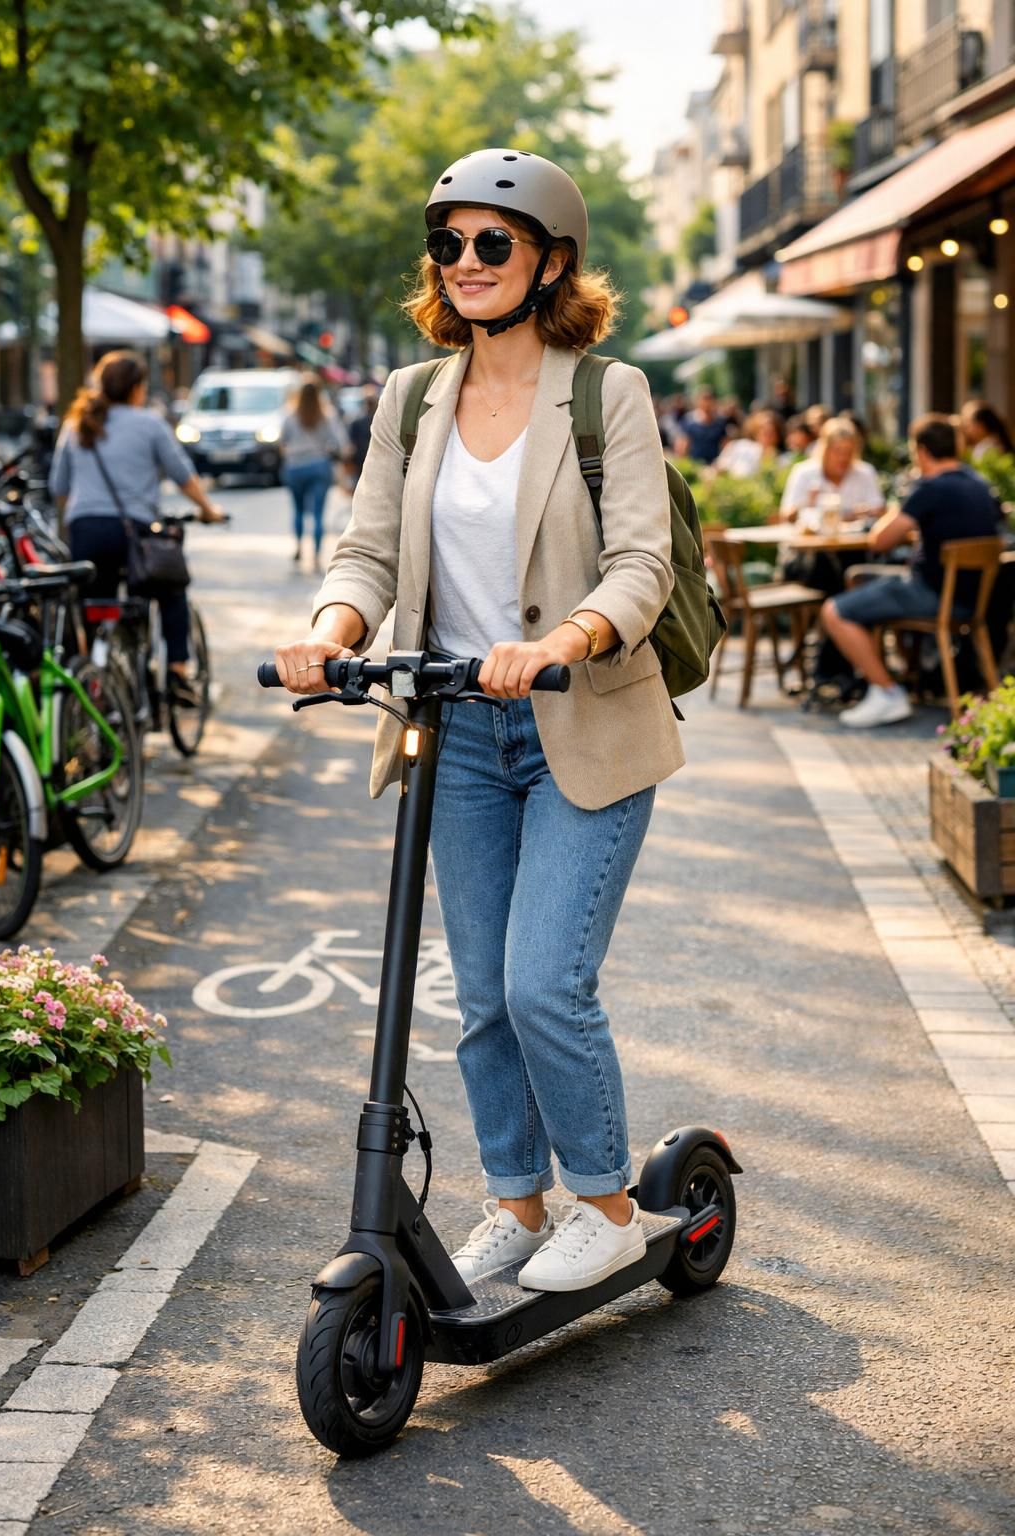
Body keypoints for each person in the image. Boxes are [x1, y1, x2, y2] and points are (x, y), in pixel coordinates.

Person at [275, 148, 682, 1293]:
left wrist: (561, 642)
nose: (464, 261)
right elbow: (363, 550)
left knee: (544, 979)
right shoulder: (410, 398)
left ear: (549, 259)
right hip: (450, 726)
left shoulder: (608, 394)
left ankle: (605, 1203)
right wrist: (332, 625)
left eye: (491, 242)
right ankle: (515, 1200)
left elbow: (641, 562)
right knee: (477, 995)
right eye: (447, 242)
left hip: (579, 726)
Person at [49, 350, 223, 704]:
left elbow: (59, 488)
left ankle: (95, 675)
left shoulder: (76, 424)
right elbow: (182, 475)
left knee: (94, 606)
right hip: (135, 534)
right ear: (137, 389)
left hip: (86, 533)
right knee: (171, 587)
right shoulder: (149, 423)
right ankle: (176, 672)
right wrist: (209, 510)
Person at [821, 414, 1003, 728]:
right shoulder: (978, 483)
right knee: (861, 579)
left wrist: (904, 499)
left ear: (920, 451)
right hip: (976, 600)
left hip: (935, 595)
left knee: (834, 611)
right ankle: (899, 673)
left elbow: (879, 540)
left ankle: (886, 692)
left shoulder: (929, 489)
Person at [279, 374, 344, 568]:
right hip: (318, 465)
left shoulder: (290, 415)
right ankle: (316, 555)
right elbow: (340, 443)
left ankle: (299, 547)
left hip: (295, 466)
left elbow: (282, 442)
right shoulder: (326, 415)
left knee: (298, 511)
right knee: (318, 513)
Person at [780, 417, 884, 522]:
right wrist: (808, 505)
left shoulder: (865, 472)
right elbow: (786, 515)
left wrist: (865, 511)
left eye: (848, 451)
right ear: (825, 450)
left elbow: (879, 509)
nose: (843, 457)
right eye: (837, 451)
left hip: (856, 538)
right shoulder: (803, 472)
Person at [713, 409, 784, 478]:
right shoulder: (739, 446)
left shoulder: (782, 459)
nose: (767, 434)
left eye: (771, 432)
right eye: (762, 429)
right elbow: (719, 467)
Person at [674, 386, 726, 465]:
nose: (707, 403)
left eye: (709, 399)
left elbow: (724, 445)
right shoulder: (689, 421)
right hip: (694, 464)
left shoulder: (720, 423)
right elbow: (683, 444)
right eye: (704, 400)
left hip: (714, 465)